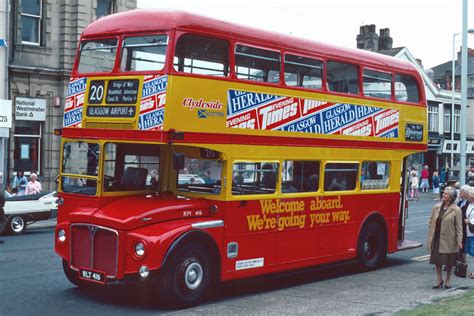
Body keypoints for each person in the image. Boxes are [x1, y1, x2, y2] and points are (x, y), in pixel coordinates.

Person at [427, 186, 462, 289]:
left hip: (449, 239)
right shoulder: (436, 207)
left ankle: (447, 279)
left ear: (451, 197)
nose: (443, 194)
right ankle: (439, 279)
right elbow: (431, 219)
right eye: (444, 193)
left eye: (446, 194)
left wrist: (459, 240)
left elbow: (459, 227)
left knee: (449, 261)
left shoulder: (456, 210)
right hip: (437, 237)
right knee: (437, 260)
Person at [458, 185, 471, 265]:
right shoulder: (460, 202)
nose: (459, 193)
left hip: (466, 227)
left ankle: (463, 263)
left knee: (464, 245)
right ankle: (460, 262)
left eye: (461, 191)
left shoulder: (470, 203)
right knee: (460, 244)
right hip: (460, 226)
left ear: (465, 193)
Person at [464, 186, 474, 278]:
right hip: (469, 231)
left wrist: (469, 221)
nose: (467, 197)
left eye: (469, 195)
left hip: (472, 230)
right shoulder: (470, 204)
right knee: (472, 252)